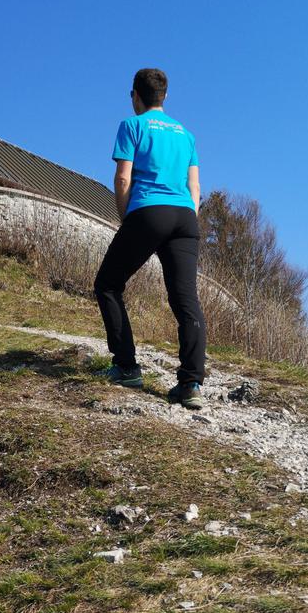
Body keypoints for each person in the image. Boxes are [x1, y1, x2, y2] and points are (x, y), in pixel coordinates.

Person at [93, 68, 206, 409]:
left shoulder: (132, 125)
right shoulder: (186, 135)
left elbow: (123, 178)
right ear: (165, 96)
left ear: (135, 96)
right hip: (186, 217)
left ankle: (126, 367)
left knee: (108, 284)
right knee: (185, 300)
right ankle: (190, 384)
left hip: (148, 211)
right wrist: (187, 221)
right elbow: (195, 187)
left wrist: (128, 217)